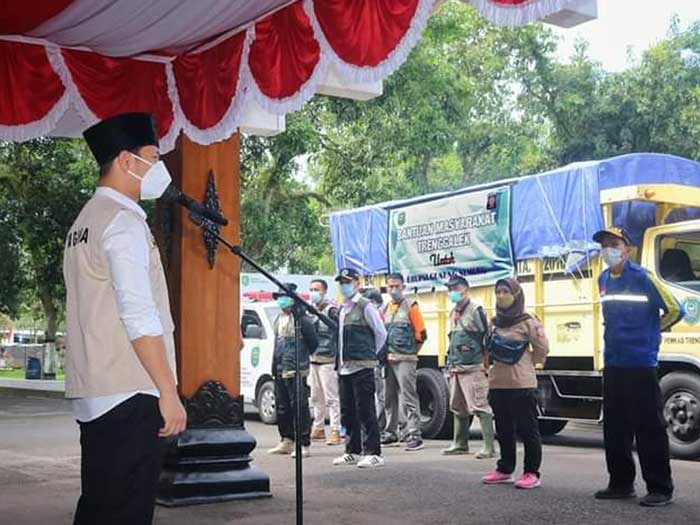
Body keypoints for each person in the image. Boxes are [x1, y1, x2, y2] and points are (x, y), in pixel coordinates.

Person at [63, 113, 186, 525]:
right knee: (125, 511)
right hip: (129, 390)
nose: (158, 167)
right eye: (152, 156)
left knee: (100, 505)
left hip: (98, 391)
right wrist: (167, 391)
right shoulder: (122, 221)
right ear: (126, 160)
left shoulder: (85, 220)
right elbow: (139, 314)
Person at [592, 227, 683, 507]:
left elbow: (675, 309)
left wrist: (651, 332)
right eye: (605, 245)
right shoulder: (603, 279)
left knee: (649, 427)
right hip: (614, 363)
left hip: (640, 362)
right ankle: (620, 483)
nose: (608, 249)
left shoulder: (643, 277)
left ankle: (659, 488)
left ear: (627, 249)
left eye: (614, 244)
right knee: (615, 426)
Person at [482, 278, 549, 489]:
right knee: (503, 429)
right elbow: (486, 349)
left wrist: (530, 364)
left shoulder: (528, 321)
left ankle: (531, 472)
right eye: (498, 291)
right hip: (498, 383)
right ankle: (504, 469)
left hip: (521, 384)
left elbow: (542, 349)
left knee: (528, 429)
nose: (501, 296)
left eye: (505, 291)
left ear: (516, 295)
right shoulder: (493, 322)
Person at [333, 269, 388, 468]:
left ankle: (374, 452)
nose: (344, 285)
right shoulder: (342, 308)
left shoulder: (365, 306)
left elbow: (381, 333)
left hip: (362, 366)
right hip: (344, 367)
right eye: (341, 282)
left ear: (357, 283)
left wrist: (369, 355)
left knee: (365, 410)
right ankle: (352, 450)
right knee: (347, 412)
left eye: (348, 282)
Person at [441, 276, 495, 459]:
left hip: (473, 366)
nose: (453, 292)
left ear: (466, 289)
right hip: (456, 366)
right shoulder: (453, 312)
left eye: (456, 288)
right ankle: (460, 443)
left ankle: (489, 447)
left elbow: (486, 338)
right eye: (450, 289)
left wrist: (486, 365)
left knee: (480, 406)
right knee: (458, 406)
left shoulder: (476, 310)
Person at [268, 283, 318, 458]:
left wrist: (301, 358)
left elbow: (313, 343)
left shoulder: (303, 320)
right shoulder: (279, 319)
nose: (281, 300)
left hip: (296, 369)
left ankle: (304, 443)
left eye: (284, 297)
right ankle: (287, 440)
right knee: (282, 406)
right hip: (280, 367)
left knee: (299, 406)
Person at [380, 273, 427, 452]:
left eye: (396, 286)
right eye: (390, 286)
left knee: (409, 397)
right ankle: (391, 432)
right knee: (389, 398)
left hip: (405, 359)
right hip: (388, 359)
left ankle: (414, 434)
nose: (393, 290)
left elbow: (421, 334)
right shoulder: (385, 309)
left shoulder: (411, 306)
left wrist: (411, 353)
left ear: (403, 287)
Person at [308, 278, 342, 446]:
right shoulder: (311, 311)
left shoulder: (332, 310)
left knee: (332, 398)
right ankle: (318, 428)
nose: (313, 292)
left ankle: (336, 430)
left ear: (324, 291)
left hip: (328, 360)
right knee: (315, 397)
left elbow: (338, 331)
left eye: (317, 289)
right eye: (311, 289)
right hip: (313, 360)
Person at [360, 288, 390, 436]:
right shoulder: (379, 314)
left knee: (379, 396)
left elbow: (381, 336)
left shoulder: (376, 315)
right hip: (374, 360)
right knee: (378, 396)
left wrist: (374, 354)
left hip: (375, 360)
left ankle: (378, 427)